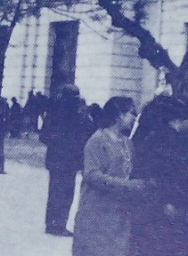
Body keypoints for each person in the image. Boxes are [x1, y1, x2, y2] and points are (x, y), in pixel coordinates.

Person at [72, 97, 145, 256]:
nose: (134, 118)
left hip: (119, 214)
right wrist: (128, 185)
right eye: (131, 113)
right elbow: (92, 175)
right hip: (96, 212)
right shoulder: (97, 140)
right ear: (119, 115)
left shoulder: (127, 143)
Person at [129, 95, 188, 256]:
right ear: (181, 118)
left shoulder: (157, 136)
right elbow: (164, 174)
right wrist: (169, 201)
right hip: (163, 204)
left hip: (155, 203)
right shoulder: (169, 140)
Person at [40, 84, 94, 236]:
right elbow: (88, 131)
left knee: (55, 192)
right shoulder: (77, 113)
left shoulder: (55, 113)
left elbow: (43, 136)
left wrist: (56, 143)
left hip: (58, 160)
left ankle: (52, 224)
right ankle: (58, 224)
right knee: (65, 193)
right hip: (68, 160)